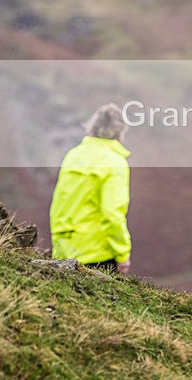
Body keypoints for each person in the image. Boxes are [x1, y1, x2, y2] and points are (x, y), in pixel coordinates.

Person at [50, 103, 132, 274]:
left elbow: (60, 201)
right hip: (97, 252)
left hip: (64, 247)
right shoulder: (115, 162)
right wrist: (122, 253)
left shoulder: (74, 155)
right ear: (120, 132)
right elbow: (112, 212)